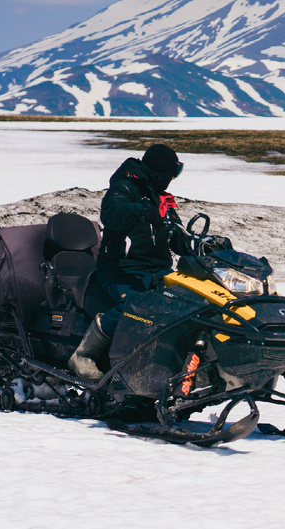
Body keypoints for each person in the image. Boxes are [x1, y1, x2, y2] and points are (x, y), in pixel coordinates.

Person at [68, 143, 192, 380]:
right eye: (171, 174)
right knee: (137, 305)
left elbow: (176, 234)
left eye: (176, 173)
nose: (172, 180)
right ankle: (84, 355)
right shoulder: (124, 187)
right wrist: (142, 210)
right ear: (158, 172)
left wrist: (198, 244)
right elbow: (112, 213)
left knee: (188, 302)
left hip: (158, 272)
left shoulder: (162, 197)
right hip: (121, 270)